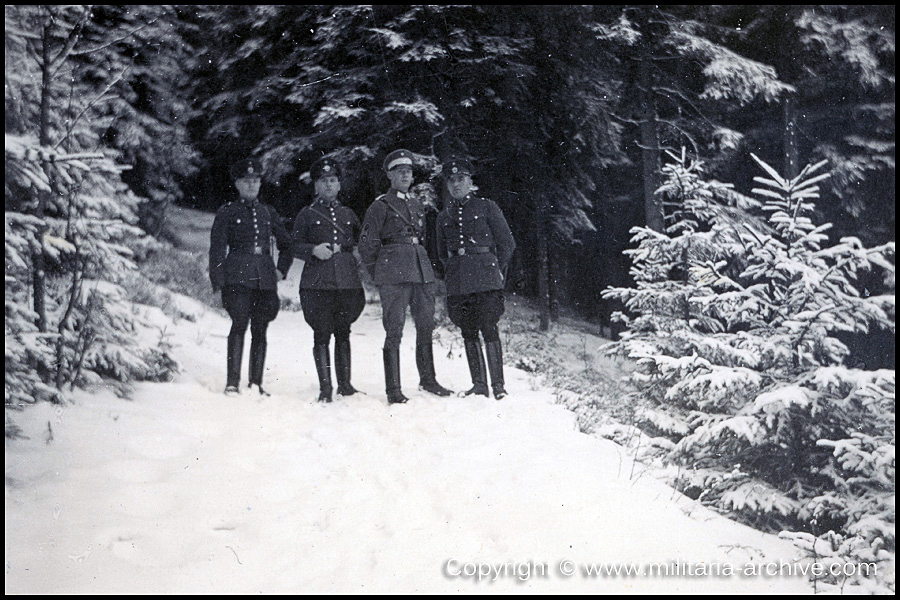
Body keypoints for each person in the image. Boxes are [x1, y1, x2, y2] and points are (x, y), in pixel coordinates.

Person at [359, 149, 452, 404]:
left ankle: (428, 379)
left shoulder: (415, 203)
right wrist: (379, 273)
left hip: (420, 270)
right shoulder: (380, 206)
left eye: (408, 171)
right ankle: (394, 389)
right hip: (394, 273)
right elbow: (367, 243)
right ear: (389, 175)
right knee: (394, 329)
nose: (404, 175)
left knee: (425, 325)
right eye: (399, 171)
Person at [209, 158, 293, 396]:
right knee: (239, 325)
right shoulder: (227, 212)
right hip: (237, 276)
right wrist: (218, 281)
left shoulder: (268, 212)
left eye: (256, 181)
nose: (252, 186)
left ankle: (256, 382)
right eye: (247, 181)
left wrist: (280, 270)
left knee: (261, 328)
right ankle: (232, 382)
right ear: (237, 184)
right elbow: (217, 249)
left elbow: (287, 245)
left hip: (265, 278)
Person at [436, 158, 516, 399]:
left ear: (470, 182)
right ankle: (479, 385)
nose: (457, 184)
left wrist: (493, 267)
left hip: (486, 278)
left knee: (489, 327)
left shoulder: (487, 207)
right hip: (458, 281)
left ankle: (498, 386)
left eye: (461, 179)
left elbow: (506, 243)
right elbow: (441, 254)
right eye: (452, 180)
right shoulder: (443, 216)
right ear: (448, 185)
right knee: (467, 330)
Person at [291, 156, 366, 403]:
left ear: (339, 185)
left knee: (344, 331)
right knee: (321, 333)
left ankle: (345, 385)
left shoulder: (348, 214)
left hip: (346, 282)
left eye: (333, 180)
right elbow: (293, 245)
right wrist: (312, 250)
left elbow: (360, 242)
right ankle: (326, 388)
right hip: (317, 283)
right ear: (315, 186)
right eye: (324, 181)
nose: (329, 185)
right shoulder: (306, 214)